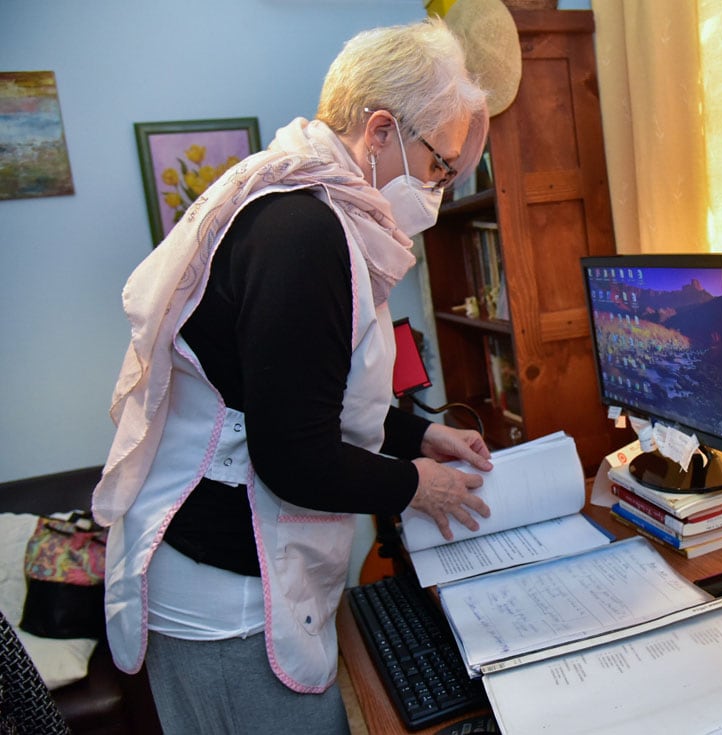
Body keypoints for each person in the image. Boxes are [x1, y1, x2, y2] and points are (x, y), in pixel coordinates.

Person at [91, 18, 493, 735]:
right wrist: (415, 486)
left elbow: (310, 393)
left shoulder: (316, 211)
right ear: (378, 132)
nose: (438, 188)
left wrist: (423, 435)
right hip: (225, 598)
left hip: (236, 569)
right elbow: (292, 456)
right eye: (439, 164)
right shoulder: (302, 233)